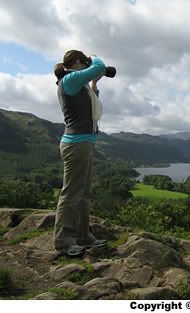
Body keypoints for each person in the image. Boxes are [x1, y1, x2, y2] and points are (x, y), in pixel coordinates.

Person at [53, 50, 107, 256]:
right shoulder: (70, 79)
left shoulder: (79, 83)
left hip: (84, 143)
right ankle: (64, 240)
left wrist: (94, 84)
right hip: (76, 144)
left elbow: (91, 104)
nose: (86, 67)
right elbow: (99, 65)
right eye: (83, 63)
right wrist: (94, 57)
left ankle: (83, 235)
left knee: (84, 193)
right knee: (72, 192)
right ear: (76, 62)